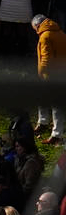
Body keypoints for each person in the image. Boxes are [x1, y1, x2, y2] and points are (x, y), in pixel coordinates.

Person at [38, 12, 66, 142]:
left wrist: (41, 71)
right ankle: (43, 123)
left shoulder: (45, 36)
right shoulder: (60, 32)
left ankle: (56, 134)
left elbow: (46, 58)